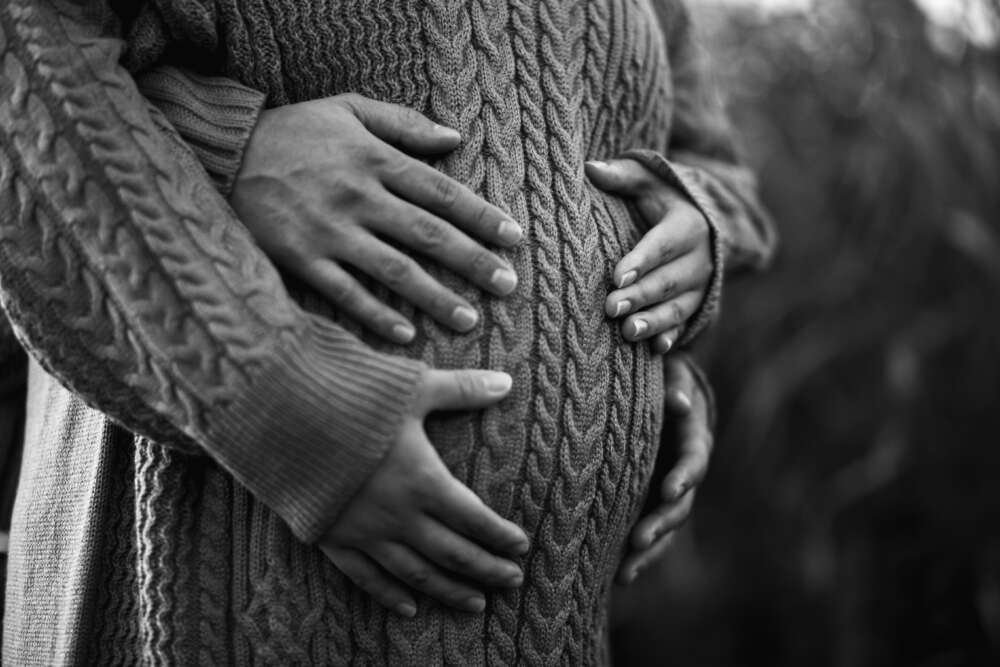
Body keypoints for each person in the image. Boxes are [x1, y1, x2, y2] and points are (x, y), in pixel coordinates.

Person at [0, 0, 775, 664]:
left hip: (553, 622)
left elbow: (703, 157)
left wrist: (672, 276)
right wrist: (283, 399)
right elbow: (26, 58)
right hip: (218, 583)